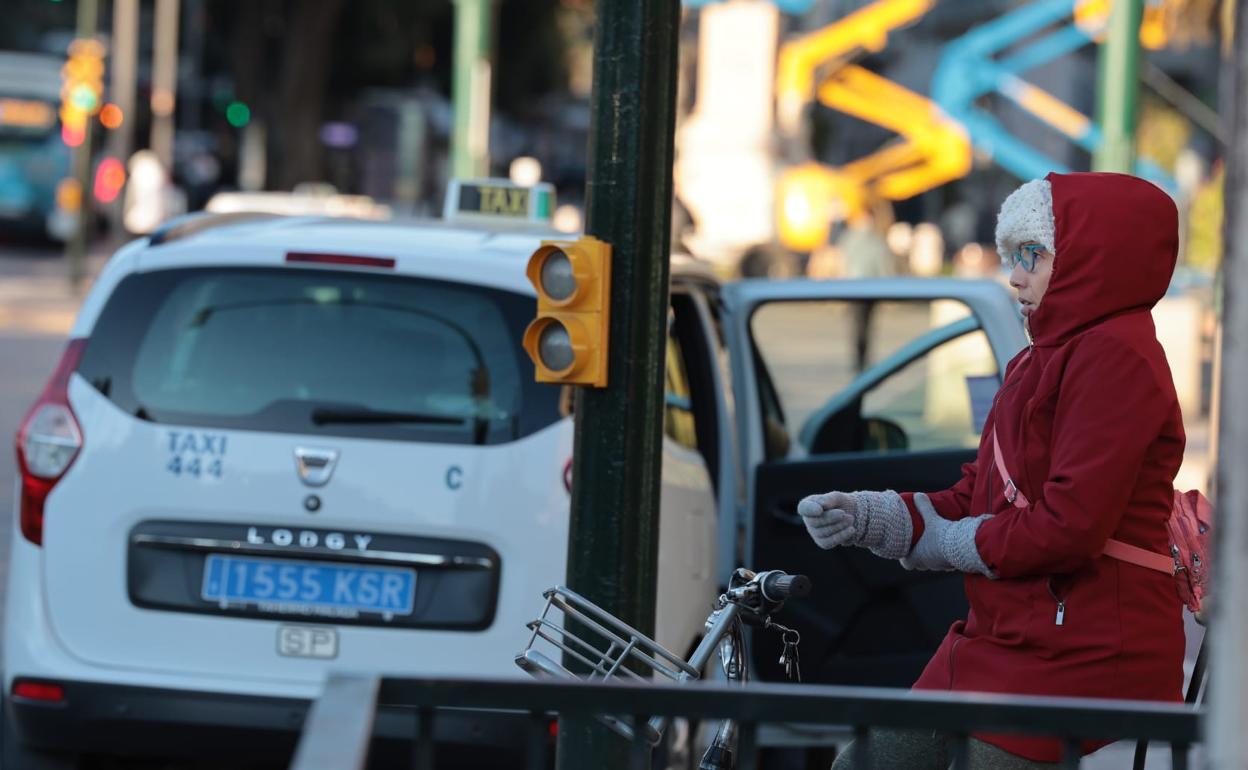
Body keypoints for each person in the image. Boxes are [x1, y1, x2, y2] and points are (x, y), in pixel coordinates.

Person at [799, 172, 1187, 769]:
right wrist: (874, 517)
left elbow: (1069, 526)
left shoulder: (1118, 356)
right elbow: (982, 494)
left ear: (1094, 254)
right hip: (1011, 636)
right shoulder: (1040, 358)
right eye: (1013, 256)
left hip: (1087, 648)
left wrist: (952, 542)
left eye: (1033, 255)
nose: (1015, 276)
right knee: (866, 761)